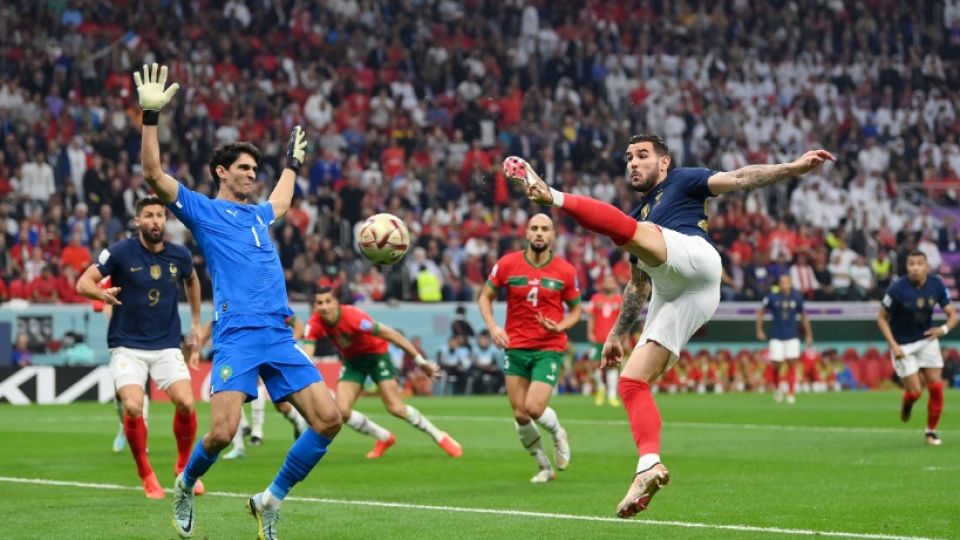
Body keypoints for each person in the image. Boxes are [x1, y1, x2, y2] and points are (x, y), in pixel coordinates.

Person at [503, 134, 834, 515]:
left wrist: (792, 168)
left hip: (695, 257)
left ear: (664, 162)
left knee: (624, 230)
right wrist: (615, 334)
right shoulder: (643, 218)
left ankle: (553, 195)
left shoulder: (682, 180)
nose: (633, 163)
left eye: (642, 155)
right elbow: (638, 286)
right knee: (631, 381)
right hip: (683, 294)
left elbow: (741, 178)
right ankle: (648, 465)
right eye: (628, 157)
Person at [135, 63, 342, 540]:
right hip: (237, 335)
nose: (251, 174)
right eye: (243, 168)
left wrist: (290, 166)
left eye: (255, 169)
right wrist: (150, 117)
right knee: (223, 433)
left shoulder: (259, 216)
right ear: (221, 172)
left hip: (277, 332)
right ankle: (186, 483)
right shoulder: (203, 210)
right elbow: (152, 174)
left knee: (330, 420)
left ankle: (269, 500)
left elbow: (283, 201)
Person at [76, 195, 204, 500]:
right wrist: (101, 295)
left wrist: (197, 322)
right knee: (133, 406)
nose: (156, 221)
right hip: (127, 345)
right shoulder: (120, 252)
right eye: (149, 215)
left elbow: (192, 280)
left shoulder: (180, 254)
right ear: (138, 221)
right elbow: (83, 283)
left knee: (186, 403)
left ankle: (183, 467)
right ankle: (146, 473)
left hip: (166, 344)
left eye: (160, 215)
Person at [477, 213, 579, 483]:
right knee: (520, 414)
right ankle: (544, 467)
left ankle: (558, 433)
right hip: (515, 346)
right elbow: (485, 297)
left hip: (549, 347)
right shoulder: (508, 264)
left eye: (545, 229)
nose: (539, 233)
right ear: (526, 233)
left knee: (534, 407)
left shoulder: (565, 271)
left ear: (553, 235)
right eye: (534, 228)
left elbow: (577, 311)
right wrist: (493, 327)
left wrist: (561, 326)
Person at [302, 287, 462, 459]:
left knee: (396, 408)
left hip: (377, 356)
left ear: (336, 303)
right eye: (320, 303)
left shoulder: (354, 317)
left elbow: (393, 336)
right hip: (353, 362)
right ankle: (384, 437)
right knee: (342, 411)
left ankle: (440, 436)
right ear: (315, 306)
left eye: (328, 301)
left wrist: (420, 362)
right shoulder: (314, 323)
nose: (325, 307)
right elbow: (307, 356)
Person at [876, 250, 956, 446]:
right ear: (907, 267)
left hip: (927, 340)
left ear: (926, 266)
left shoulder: (936, 284)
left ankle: (931, 432)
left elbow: (953, 315)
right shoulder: (897, 289)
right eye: (911, 264)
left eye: (919, 263)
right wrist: (893, 345)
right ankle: (908, 402)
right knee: (916, 392)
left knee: (936, 386)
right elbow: (881, 318)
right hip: (903, 344)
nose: (915, 267)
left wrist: (943, 329)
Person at [755, 274, 813, 404]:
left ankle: (791, 393)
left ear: (790, 283)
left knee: (792, 362)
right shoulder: (772, 297)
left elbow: (804, 316)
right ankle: (777, 389)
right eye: (782, 282)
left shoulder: (797, 298)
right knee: (776, 363)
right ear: (779, 283)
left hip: (792, 335)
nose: (784, 284)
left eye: (787, 281)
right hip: (776, 335)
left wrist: (809, 334)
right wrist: (759, 330)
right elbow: (760, 312)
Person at [587, 275, 623, 407]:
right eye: (607, 281)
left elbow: (623, 320)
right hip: (597, 338)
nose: (609, 284)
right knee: (594, 365)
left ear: (615, 284)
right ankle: (601, 387)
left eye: (612, 281)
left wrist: (621, 336)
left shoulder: (620, 300)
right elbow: (591, 316)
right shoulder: (595, 298)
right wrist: (590, 332)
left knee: (612, 365)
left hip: (612, 339)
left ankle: (612, 395)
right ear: (603, 284)